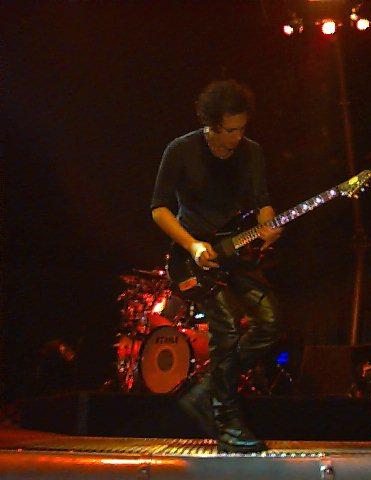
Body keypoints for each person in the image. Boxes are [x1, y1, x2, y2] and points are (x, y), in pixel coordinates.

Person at [151, 79, 282, 453]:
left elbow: (262, 202)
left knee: (271, 324)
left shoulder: (251, 152)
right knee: (225, 330)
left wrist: (269, 224)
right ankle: (227, 425)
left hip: (236, 251)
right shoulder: (181, 150)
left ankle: (207, 389)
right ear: (210, 125)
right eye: (229, 130)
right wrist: (192, 244)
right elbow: (159, 208)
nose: (237, 137)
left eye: (242, 128)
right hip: (194, 258)